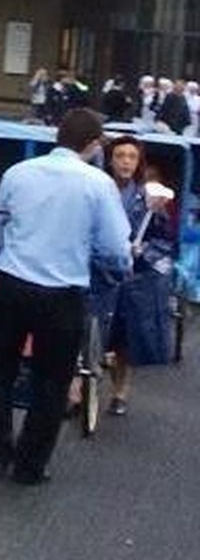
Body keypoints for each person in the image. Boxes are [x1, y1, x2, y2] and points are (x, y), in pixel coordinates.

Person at [0, 106, 131, 485]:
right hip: (62, 292)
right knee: (52, 380)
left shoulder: (18, 172)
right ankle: (30, 464)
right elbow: (114, 247)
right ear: (94, 145)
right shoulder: (98, 184)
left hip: (11, 280)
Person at [96, 136, 176, 416]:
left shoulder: (149, 199)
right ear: (110, 159)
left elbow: (165, 241)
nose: (126, 162)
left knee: (124, 339)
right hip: (97, 273)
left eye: (132, 156)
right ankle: (78, 392)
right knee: (88, 335)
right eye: (120, 155)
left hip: (131, 277)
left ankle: (120, 392)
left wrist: (144, 252)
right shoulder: (96, 190)